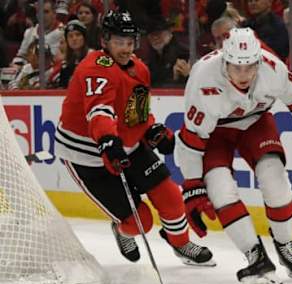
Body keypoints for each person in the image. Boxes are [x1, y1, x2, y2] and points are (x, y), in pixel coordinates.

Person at [175, 27, 292, 284]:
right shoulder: (203, 78)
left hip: (256, 122)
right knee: (220, 188)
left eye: (250, 67)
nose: (244, 75)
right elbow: (192, 140)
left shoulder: (272, 68)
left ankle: (285, 244)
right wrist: (193, 185)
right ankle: (256, 256)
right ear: (224, 61)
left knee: (274, 177)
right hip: (215, 132)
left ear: (259, 60)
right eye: (236, 68)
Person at [54, 9, 215, 267]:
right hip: (87, 156)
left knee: (171, 198)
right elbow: (99, 110)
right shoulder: (95, 67)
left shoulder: (139, 69)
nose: (126, 49)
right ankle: (121, 229)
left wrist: (151, 131)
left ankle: (181, 244)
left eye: (130, 42)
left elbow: (137, 113)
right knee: (140, 222)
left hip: (125, 146)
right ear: (105, 41)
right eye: (119, 42)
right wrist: (108, 141)